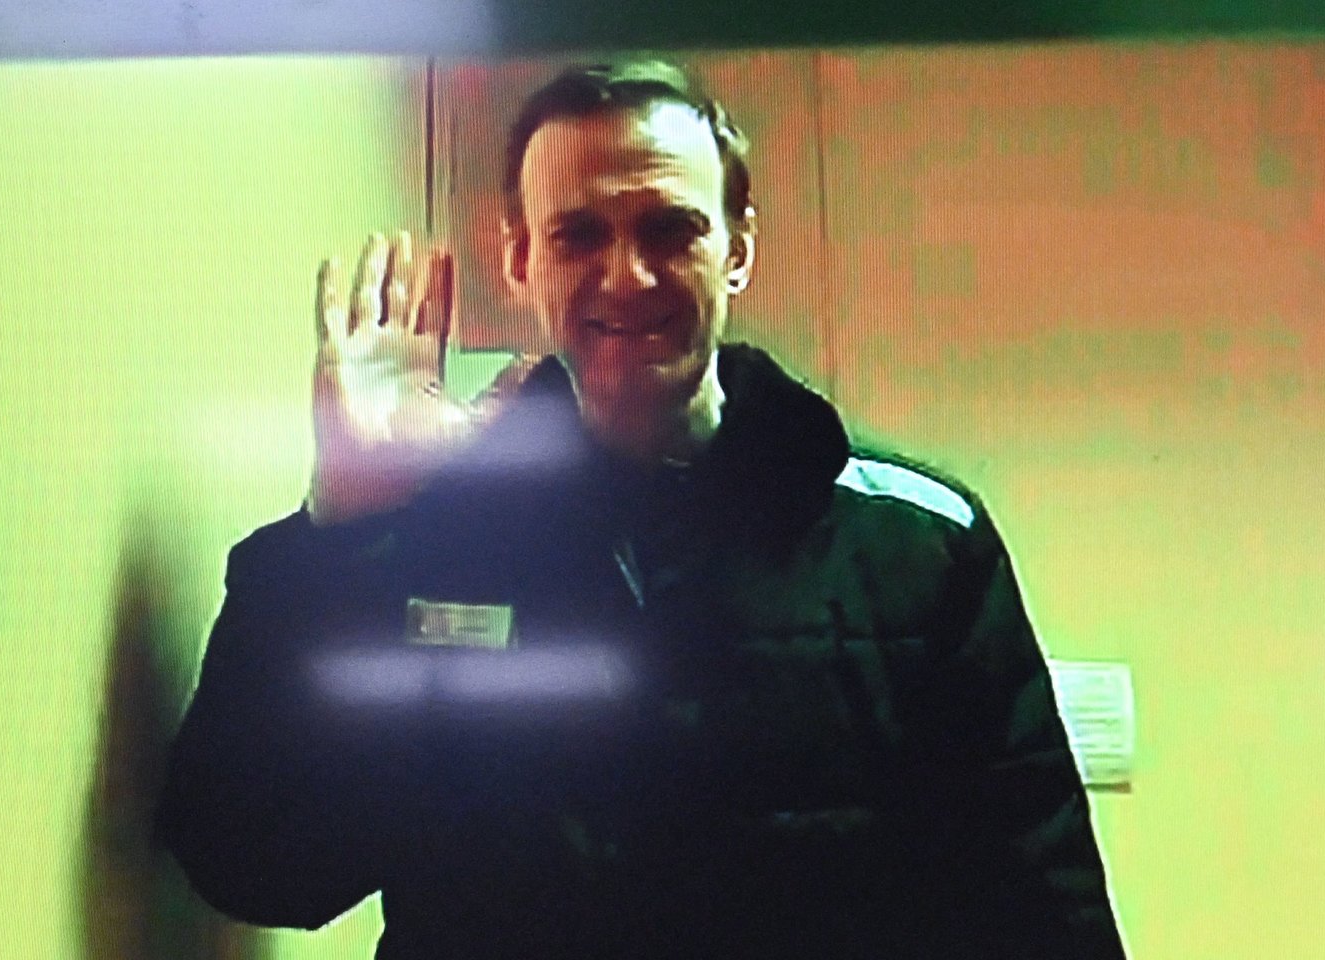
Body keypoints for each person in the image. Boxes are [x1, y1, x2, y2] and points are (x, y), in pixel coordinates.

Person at [154, 60, 1129, 959]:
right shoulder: (429, 539)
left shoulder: (920, 545)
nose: (627, 276)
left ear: (738, 249)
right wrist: (343, 526)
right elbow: (262, 863)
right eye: (579, 234)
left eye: (671, 228)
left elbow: (1042, 919)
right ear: (521, 259)